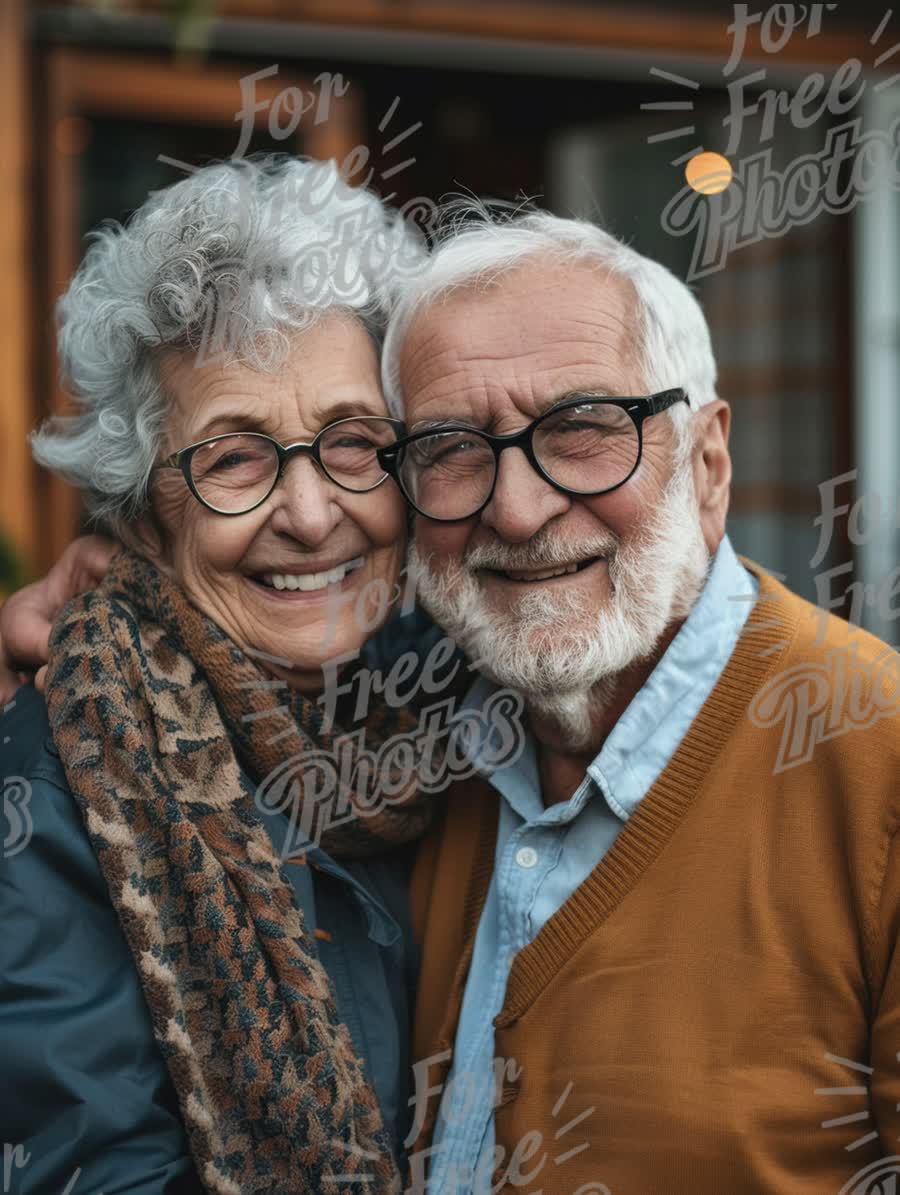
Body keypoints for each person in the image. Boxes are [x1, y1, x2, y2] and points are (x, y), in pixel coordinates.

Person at [6, 203, 900, 1193]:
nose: (517, 511)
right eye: (232, 459)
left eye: (584, 428)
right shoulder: (435, 727)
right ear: (144, 514)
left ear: (709, 462)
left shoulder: (865, 760)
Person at [0, 154, 444, 1195]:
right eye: (235, 459)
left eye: (351, 442)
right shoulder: (63, 768)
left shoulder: (458, 699)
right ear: (145, 502)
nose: (309, 512)